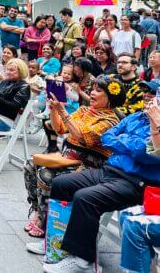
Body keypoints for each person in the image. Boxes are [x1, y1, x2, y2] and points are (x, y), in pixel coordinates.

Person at [42, 84, 160, 273]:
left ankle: (83, 262)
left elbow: (144, 152)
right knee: (61, 184)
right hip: (109, 170)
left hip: (136, 182)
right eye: (149, 95)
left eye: (154, 96)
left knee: (86, 198)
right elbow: (107, 138)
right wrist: (130, 145)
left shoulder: (156, 128)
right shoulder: (137, 117)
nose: (149, 98)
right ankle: (57, 242)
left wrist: (124, 144)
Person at [23, 75, 124, 240]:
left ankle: (45, 218)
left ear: (110, 97)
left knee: (46, 174)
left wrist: (63, 112)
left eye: (99, 91)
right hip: (67, 157)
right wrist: (55, 110)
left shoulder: (110, 120)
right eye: (93, 89)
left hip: (89, 165)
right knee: (29, 165)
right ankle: (38, 210)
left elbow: (82, 136)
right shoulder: (84, 110)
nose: (92, 92)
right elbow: (61, 129)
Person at [113, 52, 146, 116]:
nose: (120, 65)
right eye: (118, 62)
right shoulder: (111, 78)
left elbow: (136, 109)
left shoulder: (141, 85)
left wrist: (111, 110)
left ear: (134, 67)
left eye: (124, 62)